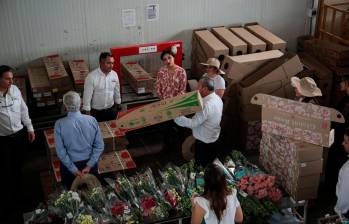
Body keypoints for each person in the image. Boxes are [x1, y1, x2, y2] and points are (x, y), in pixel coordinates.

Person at [0, 65, 35, 223]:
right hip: (3, 140)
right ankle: (8, 204)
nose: (10, 81)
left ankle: (21, 197)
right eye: (7, 78)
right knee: (6, 171)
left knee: (19, 166)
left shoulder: (14, 90)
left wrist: (30, 128)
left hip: (19, 135)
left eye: (11, 78)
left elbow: (23, 110)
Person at [55, 91, 104, 189]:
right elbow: (99, 146)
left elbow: (60, 152)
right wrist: (89, 166)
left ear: (65, 105)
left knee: (72, 199)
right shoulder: (92, 120)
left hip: (69, 166)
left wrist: (73, 169)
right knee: (94, 194)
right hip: (90, 163)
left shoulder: (59, 124)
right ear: (80, 103)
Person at [174, 77, 223, 167]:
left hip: (204, 142)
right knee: (211, 165)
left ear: (205, 89)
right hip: (214, 138)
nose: (196, 89)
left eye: (198, 87)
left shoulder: (205, 104)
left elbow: (194, 123)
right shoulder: (217, 98)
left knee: (201, 166)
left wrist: (177, 117)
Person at [83, 52, 121, 122]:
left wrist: (118, 104)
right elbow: (87, 96)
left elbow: (117, 91)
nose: (111, 65)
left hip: (111, 110)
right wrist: (88, 113)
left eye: (112, 63)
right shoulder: (91, 77)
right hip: (96, 112)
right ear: (101, 63)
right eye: (108, 63)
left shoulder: (114, 75)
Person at [326, 75, 349, 190]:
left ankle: (333, 186)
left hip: (341, 138)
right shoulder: (345, 99)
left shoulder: (347, 102)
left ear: (347, 83)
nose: (340, 84)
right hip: (339, 137)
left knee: (337, 162)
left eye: (342, 82)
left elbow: (342, 121)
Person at [334, 127, 349, 219]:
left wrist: (338, 211)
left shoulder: (347, 170)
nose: (342, 143)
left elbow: (344, 199)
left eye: (346, 142)